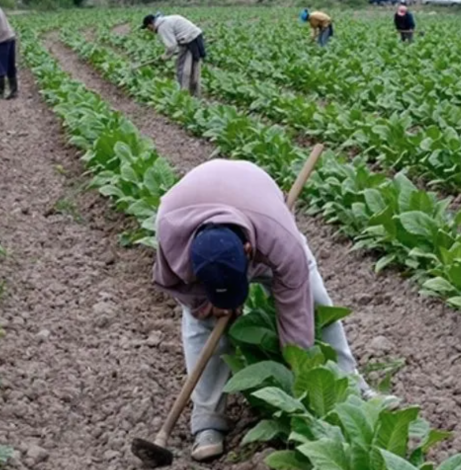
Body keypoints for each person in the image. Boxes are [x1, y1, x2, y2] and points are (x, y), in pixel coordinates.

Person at [153, 159, 371, 461]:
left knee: (316, 302)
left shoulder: (279, 239)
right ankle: (207, 421)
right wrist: (204, 304)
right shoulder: (170, 231)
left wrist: (301, 375)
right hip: (194, 211)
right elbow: (173, 284)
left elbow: (295, 314)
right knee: (201, 324)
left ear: (248, 252)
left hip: (258, 206)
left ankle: (351, 385)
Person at [142, 13, 206, 96]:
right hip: (197, 37)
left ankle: (183, 94)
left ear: (150, 24)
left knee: (182, 69)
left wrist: (164, 57)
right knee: (195, 68)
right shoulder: (167, 20)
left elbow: (171, 46)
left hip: (189, 41)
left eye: (148, 28)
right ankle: (195, 94)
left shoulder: (162, 26)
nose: (149, 30)